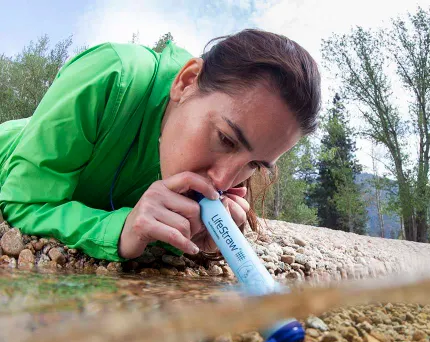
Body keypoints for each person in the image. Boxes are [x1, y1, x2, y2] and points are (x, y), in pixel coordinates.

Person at [0, 30, 321, 262]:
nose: (223, 181)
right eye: (225, 138)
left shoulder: (219, 174)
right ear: (185, 82)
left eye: (254, 165)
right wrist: (120, 229)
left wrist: (196, 241)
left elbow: (150, 226)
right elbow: (25, 202)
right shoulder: (111, 73)